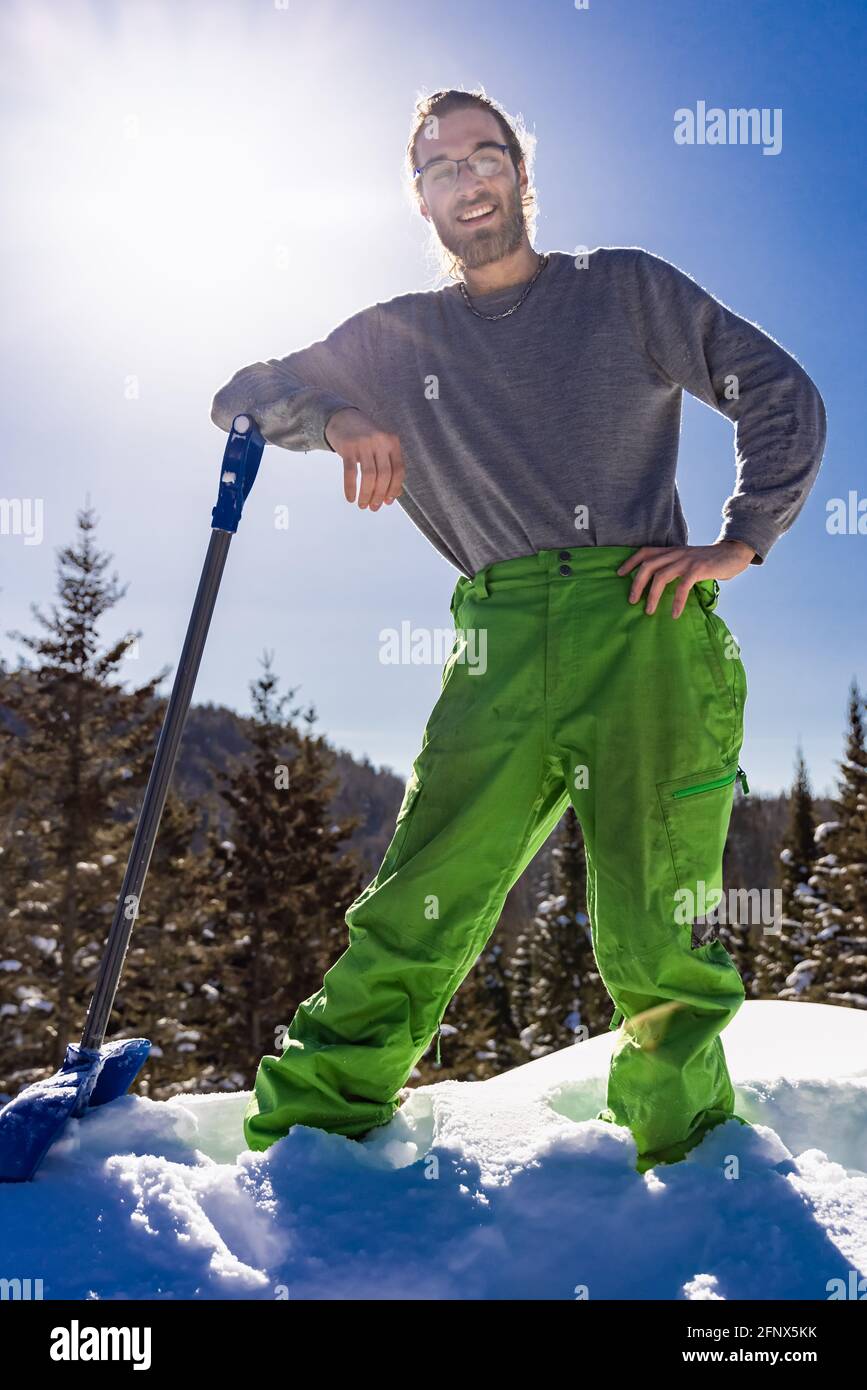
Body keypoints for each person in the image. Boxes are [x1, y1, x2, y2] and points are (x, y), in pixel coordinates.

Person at [210, 87, 827, 1173]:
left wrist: (740, 539)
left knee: (653, 929)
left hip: (644, 624)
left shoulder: (624, 290)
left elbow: (777, 388)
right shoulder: (394, 338)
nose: (468, 178)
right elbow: (242, 394)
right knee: (417, 901)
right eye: (441, 166)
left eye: (484, 155)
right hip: (496, 638)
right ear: (421, 197)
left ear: (522, 173)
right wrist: (337, 413)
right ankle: (309, 1142)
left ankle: (684, 1164)